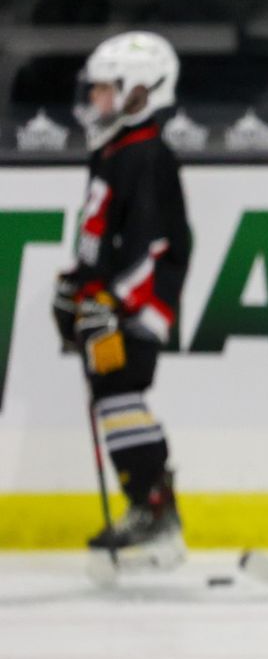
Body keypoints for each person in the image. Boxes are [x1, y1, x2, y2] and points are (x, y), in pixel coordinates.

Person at [52, 31, 193, 582]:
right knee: (113, 397)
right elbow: (102, 236)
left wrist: (112, 300)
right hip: (113, 301)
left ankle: (156, 514)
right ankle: (151, 510)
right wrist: (78, 286)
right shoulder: (114, 151)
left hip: (139, 305)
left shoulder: (147, 155)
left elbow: (153, 244)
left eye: (108, 91)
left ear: (142, 91)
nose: (96, 102)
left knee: (121, 394)